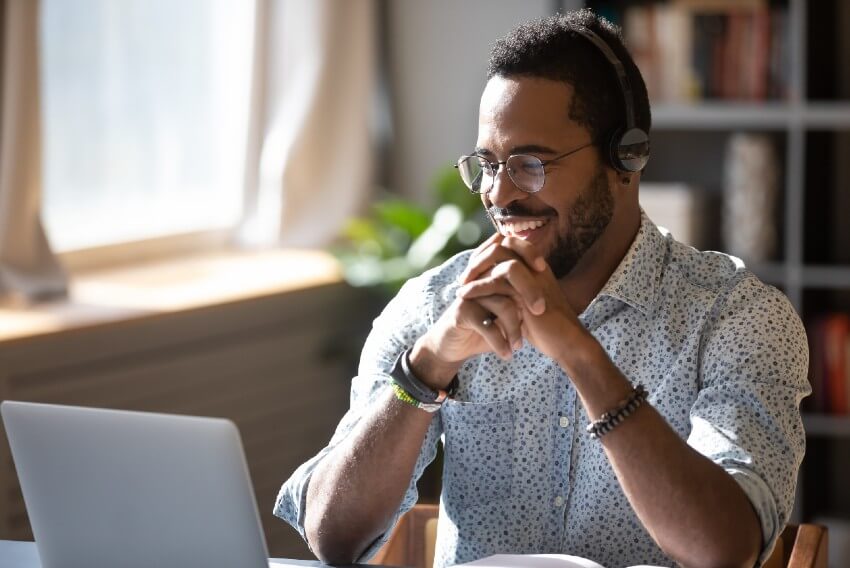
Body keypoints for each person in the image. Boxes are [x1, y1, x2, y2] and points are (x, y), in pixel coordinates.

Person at [275, 9, 810, 568]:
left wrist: (580, 354)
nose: (499, 194)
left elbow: (725, 551)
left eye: (531, 163)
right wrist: (427, 366)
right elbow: (332, 540)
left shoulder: (739, 316)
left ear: (626, 157)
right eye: (488, 163)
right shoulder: (436, 305)